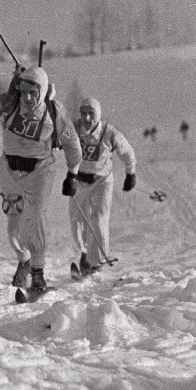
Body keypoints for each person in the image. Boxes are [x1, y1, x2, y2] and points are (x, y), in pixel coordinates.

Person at [0, 67, 82, 293]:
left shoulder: (54, 112)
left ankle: (38, 273)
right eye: (24, 92)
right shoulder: (11, 103)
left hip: (40, 171)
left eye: (33, 92)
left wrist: (73, 174)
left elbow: (72, 144)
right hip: (10, 169)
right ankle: (24, 261)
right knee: (14, 228)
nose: (27, 98)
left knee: (35, 218)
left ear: (44, 90)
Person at [71, 97, 136, 276]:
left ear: (97, 115)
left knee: (98, 219)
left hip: (101, 181)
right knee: (77, 223)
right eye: (83, 114)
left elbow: (127, 152)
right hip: (78, 180)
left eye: (91, 114)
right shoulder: (74, 129)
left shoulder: (109, 133)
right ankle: (84, 255)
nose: (87, 118)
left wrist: (131, 173)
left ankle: (96, 262)